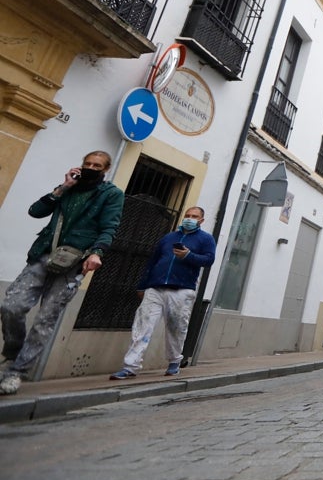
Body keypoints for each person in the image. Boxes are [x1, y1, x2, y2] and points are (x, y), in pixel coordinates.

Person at [1, 151, 124, 395]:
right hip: (44, 254)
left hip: (74, 262)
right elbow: (35, 211)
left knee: (45, 319)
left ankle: (16, 372)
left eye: (97, 166)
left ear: (105, 170)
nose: (91, 168)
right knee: (11, 306)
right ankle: (12, 352)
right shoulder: (68, 188)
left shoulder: (111, 194)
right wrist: (63, 187)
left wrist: (97, 252)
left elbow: (109, 226)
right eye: (87, 163)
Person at [111, 206, 216, 380]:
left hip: (182, 289)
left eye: (194, 216)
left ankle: (174, 361)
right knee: (142, 326)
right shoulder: (169, 237)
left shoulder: (206, 239)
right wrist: (143, 286)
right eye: (187, 215)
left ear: (201, 220)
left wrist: (188, 255)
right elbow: (153, 261)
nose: (189, 218)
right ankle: (130, 366)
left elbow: (209, 259)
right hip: (155, 288)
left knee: (176, 328)